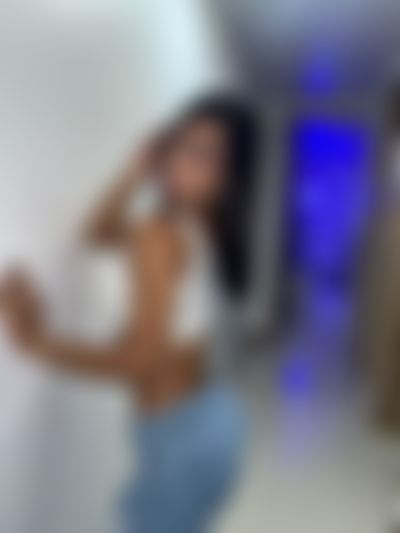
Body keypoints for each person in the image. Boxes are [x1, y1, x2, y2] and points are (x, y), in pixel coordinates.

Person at [0, 95, 259, 532]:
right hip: (219, 423)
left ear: (227, 178)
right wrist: (136, 170)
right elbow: (97, 232)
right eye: (180, 143)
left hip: (177, 442)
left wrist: (34, 340)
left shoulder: (158, 234)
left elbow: (140, 361)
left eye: (202, 154)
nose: (179, 160)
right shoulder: (201, 226)